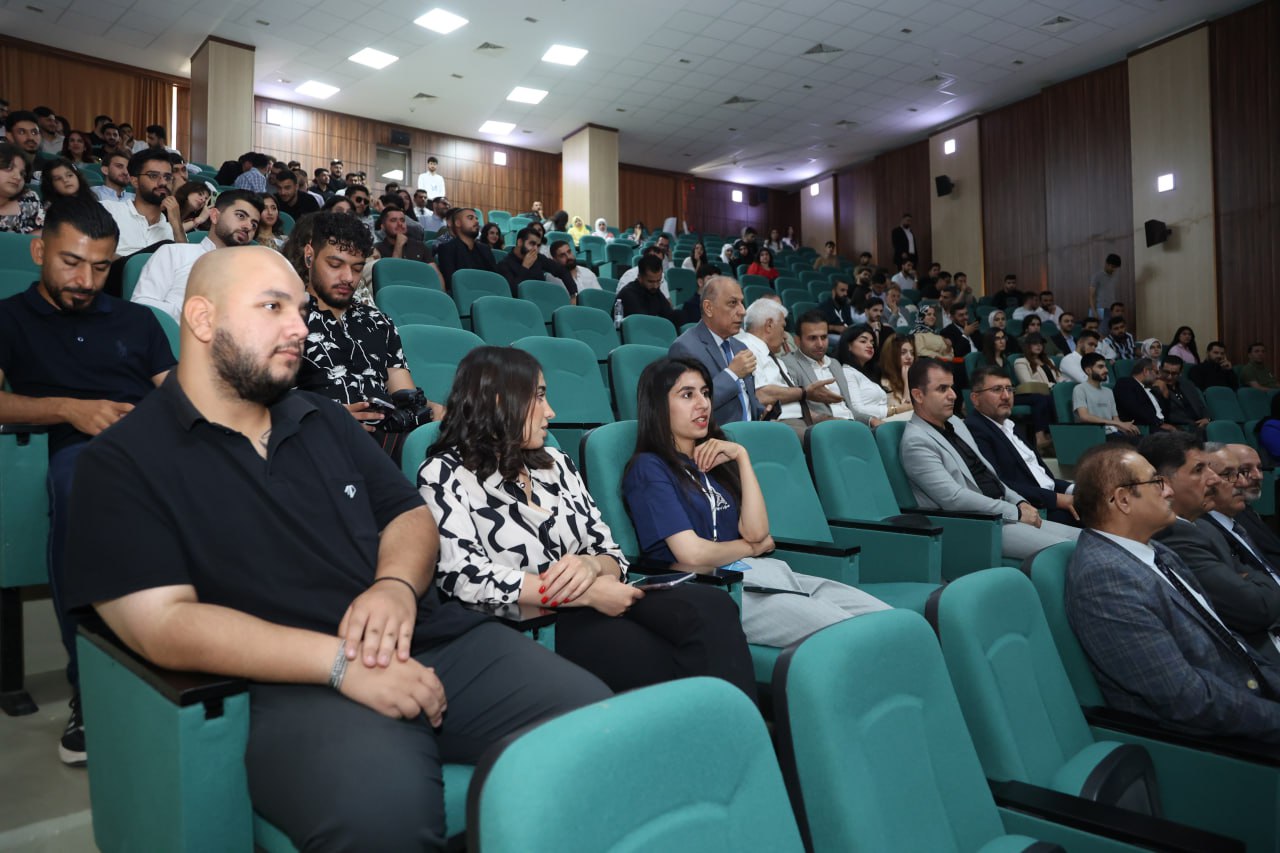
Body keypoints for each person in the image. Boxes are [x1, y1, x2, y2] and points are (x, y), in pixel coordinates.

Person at [64, 245, 612, 847]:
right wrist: (340, 664)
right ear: (201, 319)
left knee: (598, 725)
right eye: (272, 307)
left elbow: (408, 515)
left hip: (428, 637)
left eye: (299, 309)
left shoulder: (321, 418)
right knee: (384, 816)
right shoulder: (120, 461)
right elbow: (161, 624)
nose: (299, 327)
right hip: (287, 681)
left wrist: (395, 586)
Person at [419, 347, 755, 696]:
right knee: (646, 654)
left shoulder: (554, 461)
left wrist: (590, 565)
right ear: (501, 402)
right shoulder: (444, 473)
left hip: (599, 594)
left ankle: (742, 737)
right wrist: (581, 594)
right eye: (539, 397)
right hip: (529, 621)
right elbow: (463, 576)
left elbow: (610, 551)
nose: (551, 412)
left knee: (712, 607)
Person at [0, 198, 175, 764]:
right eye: (71, 263)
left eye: (101, 268)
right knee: (80, 484)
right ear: (38, 250)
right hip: (76, 447)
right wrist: (69, 410)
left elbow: (175, 390)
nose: (85, 280)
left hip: (153, 441)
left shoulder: (135, 319)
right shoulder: (8, 318)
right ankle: (91, 688)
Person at [624, 357, 891, 648]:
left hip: (762, 574)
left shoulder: (716, 457)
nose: (702, 404)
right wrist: (752, 548)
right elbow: (694, 554)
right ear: (658, 406)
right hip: (714, 591)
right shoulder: (649, 468)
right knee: (858, 636)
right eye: (687, 395)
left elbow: (757, 532)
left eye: (705, 393)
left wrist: (742, 457)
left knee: (888, 620)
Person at [1065, 443, 1280, 742]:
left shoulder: (1159, 552)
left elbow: (1229, 642)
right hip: (1212, 742)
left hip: (1247, 692)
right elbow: (1187, 699)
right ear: (1124, 500)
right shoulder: (1106, 580)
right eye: (1156, 482)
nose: (1168, 491)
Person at [293, 212, 441, 460]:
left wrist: (431, 410)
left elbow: (404, 394)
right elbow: (265, 398)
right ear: (310, 255)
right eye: (335, 265)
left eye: (357, 267)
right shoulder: (286, 315)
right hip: (316, 436)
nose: (348, 278)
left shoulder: (378, 321)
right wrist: (325, 414)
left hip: (386, 440)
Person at [900, 358, 1079, 560]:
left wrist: (1020, 502)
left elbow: (991, 475)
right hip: (977, 525)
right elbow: (954, 499)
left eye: (952, 387)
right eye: (942, 389)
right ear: (918, 395)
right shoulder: (916, 441)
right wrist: (1015, 512)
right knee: (1070, 550)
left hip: (1003, 512)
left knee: (1089, 540)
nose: (953, 395)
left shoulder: (956, 423)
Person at [1159, 442, 1280, 664]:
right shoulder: (1184, 533)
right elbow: (1253, 607)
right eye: (1229, 474)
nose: (1243, 482)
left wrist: (1250, 579)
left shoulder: (1226, 521)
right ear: (1165, 485)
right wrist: (1255, 581)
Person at [965, 365, 1076, 526]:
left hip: (1049, 500)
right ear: (975, 398)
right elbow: (998, 484)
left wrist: (1073, 490)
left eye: (1009, 389)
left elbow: (1043, 478)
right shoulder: (975, 429)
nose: (1006, 396)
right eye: (997, 389)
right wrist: (1059, 499)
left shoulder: (1011, 426)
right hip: (1031, 510)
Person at [131, 190, 262, 321]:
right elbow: (143, 305)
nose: (248, 226)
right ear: (215, 216)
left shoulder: (248, 279)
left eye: (254, 224)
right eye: (240, 216)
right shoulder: (175, 253)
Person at [734, 298, 839, 437]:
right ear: (769, 325)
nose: (785, 336)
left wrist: (824, 419)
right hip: (778, 426)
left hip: (798, 423)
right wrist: (805, 392)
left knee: (846, 431)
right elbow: (761, 395)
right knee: (833, 442)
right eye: (783, 327)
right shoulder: (746, 348)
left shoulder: (774, 358)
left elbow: (794, 406)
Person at [668, 276, 759, 424]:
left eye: (742, 303)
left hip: (752, 431)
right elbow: (691, 406)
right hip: (717, 439)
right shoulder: (684, 348)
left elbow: (747, 400)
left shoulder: (740, 347)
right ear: (709, 308)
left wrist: (763, 411)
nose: (742, 311)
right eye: (733, 303)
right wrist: (732, 374)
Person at [782, 312, 864, 425]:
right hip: (825, 430)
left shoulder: (834, 364)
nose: (820, 344)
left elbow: (850, 409)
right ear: (797, 340)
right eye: (812, 338)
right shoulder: (788, 364)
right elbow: (797, 411)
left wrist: (872, 420)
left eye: (824, 337)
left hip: (853, 425)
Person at [101, 149, 186, 255]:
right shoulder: (108, 211)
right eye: (153, 176)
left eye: (167, 177)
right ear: (135, 181)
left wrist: (177, 225)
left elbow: (185, 266)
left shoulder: (173, 229)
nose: (163, 182)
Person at [835, 325, 912, 425]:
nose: (870, 345)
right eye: (863, 341)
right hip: (869, 426)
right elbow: (857, 409)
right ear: (849, 346)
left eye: (872, 342)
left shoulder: (869, 374)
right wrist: (895, 410)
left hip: (885, 422)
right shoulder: (847, 372)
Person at [495, 226, 576, 298]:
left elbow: (562, 271)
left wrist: (573, 294)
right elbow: (513, 292)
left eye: (538, 245)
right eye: (532, 244)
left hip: (542, 301)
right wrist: (525, 267)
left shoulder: (539, 258)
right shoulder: (504, 264)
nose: (535, 249)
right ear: (520, 242)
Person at [1073, 353, 1140, 438]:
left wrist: (1125, 427)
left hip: (1113, 432)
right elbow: (1084, 417)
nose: (1106, 370)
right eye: (1100, 367)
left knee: (1141, 440)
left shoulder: (1108, 391)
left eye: (1105, 366)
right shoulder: (1080, 389)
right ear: (1088, 370)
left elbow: (1116, 418)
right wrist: (1118, 423)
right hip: (1095, 434)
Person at [435, 207, 498, 291]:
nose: (476, 221)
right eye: (470, 218)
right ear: (458, 223)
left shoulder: (485, 249)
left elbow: (495, 278)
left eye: (476, 218)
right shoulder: (447, 249)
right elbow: (451, 283)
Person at [1115, 358, 1176, 434]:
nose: (1158, 376)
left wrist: (1165, 393)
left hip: (1159, 428)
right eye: (1156, 372)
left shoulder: (1153, 390)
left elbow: (1166, 413)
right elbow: (1134, 409)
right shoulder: (1125, 383)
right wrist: (1159, 423)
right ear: (1146, 371)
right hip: (1144, 428)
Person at [1153, 355, 1209, 432]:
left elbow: (1201, 405)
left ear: (1180, 373)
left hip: (1200, 426)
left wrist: (1207, 418)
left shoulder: (1187, 384)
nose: (1169, 377)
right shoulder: (1156, 387)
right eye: (1166, 372)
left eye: (1174, 373)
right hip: (1178, 428)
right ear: (1160, 370)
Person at [0, 142, 44, 234]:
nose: (18, 177)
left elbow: (41, 238)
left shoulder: (29, 201)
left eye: (22, 173)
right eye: (9, 168)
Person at [879, 334, 915, 417]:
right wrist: (907, 382)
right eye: (903, 353)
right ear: (891, 355)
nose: (909, 357)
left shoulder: (917, 377)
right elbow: (907, 409)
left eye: (912, 353)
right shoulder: (885, 383)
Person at [1088, 253, 1122, 321]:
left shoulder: (1114, 277)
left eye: (1115, 268)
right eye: (1112, 267)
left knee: (1111, 330)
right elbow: (1091, 296)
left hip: (1112, 309)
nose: (1113, 269)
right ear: (1106, 264)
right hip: (1099, 309)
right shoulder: (1097, 276)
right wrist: (1094, 312)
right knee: (1101, 330)